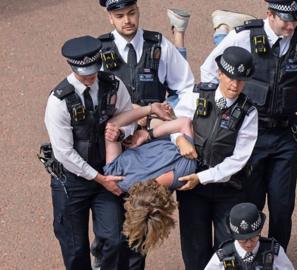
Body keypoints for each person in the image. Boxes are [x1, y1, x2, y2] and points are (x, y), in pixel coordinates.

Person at [201, 0, 297, 250]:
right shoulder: (244, 37)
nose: (291, 26)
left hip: (284, 136)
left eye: (295, 20)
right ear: (269, 15)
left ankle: (276, 257)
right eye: (286, 20)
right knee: (249, 204)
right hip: (249, 136)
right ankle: (244, 259)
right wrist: (223, 113)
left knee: (283, 206)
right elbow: (209, 72)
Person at [44, 35, 135, 270]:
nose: (90, 76)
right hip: (72, 182)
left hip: (106, 174)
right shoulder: (59, 101)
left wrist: (123, 132)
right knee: (75, 250)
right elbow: (64, 153)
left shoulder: (113, 85)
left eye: (93, 70)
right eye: (84, 72)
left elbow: (129, 115)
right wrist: (100, 179)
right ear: (72, 66)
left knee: (115, 240)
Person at [174, 46, 259, 270]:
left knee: (227, 251)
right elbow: (175, 124)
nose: (235, 85)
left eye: (241, 80)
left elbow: (238, 160)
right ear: (219, 73)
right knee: (194, 250)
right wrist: (179, 139)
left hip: (228, 190)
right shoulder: (197, 95)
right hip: (193, 190)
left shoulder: (249, 112)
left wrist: (201, 177)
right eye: (230, 77)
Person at [101, 102, 197, 255]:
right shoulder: (121, 180)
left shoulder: (183, 173)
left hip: (149, 115)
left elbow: (184, 123)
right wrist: (148, 129)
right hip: (157, 115)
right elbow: (112, 125)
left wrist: (148, 125)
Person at [98, 0, 194, 109]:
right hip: (115, 123)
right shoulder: (99, 49)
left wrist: (169, 111)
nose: (127, 21)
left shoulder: (160, 45)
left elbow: (185, 87)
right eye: (119, 16)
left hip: (157, 122)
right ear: (110, 18)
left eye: (131, 13)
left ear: (138, 11)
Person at [205, 202, 294, 270]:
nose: (249, 244)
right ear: (235, 236)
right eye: (242, 240)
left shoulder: (272, 250)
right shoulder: (224, 255)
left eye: (253, 238)